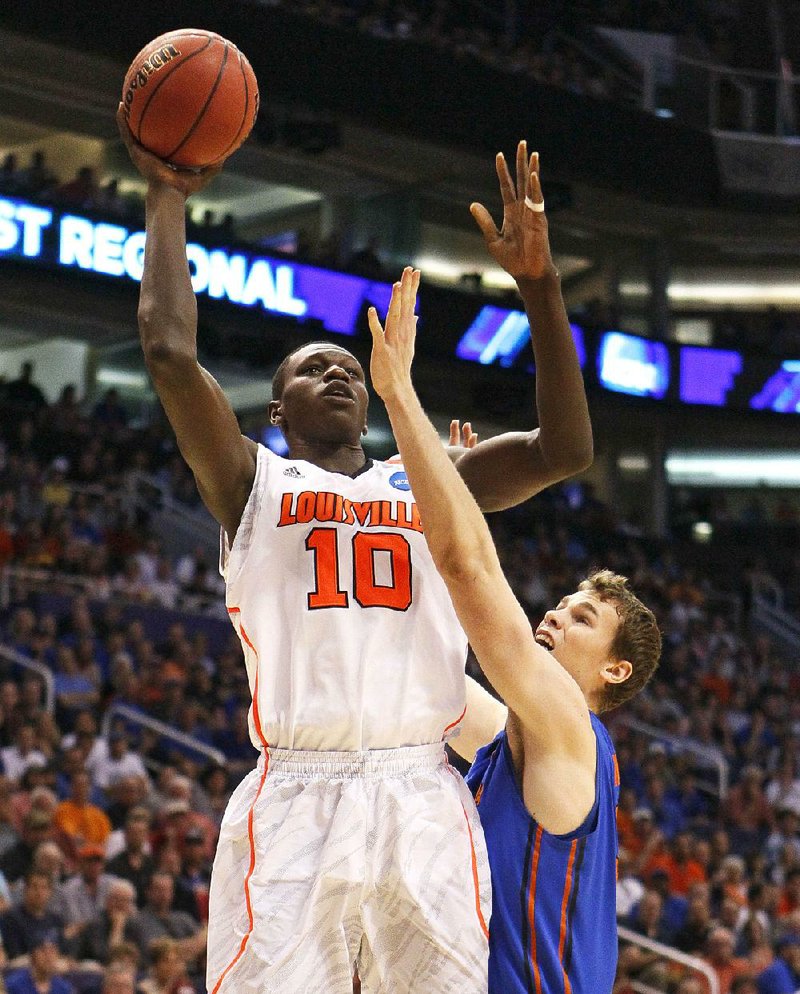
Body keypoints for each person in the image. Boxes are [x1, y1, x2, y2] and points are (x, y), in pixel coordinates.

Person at [118, 98, 592, 993]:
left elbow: (564, 451)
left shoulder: (427, 479)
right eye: (309, 367)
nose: (336, 368)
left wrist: (541, 286)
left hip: (422, 790)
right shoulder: (253, 482)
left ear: (374, 398)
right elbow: (171, 353)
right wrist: (168, 194)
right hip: (296, 794)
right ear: (275, 408)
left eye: (348, 364)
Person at [366, 262, 661, 992]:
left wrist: (401, 399)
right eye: (563, 602)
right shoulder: (515, 738)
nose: (557, 612)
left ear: (614, 670)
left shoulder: (569, 726)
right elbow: (426, 667)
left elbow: (470, 572)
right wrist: (439, 503)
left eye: (584, 617)